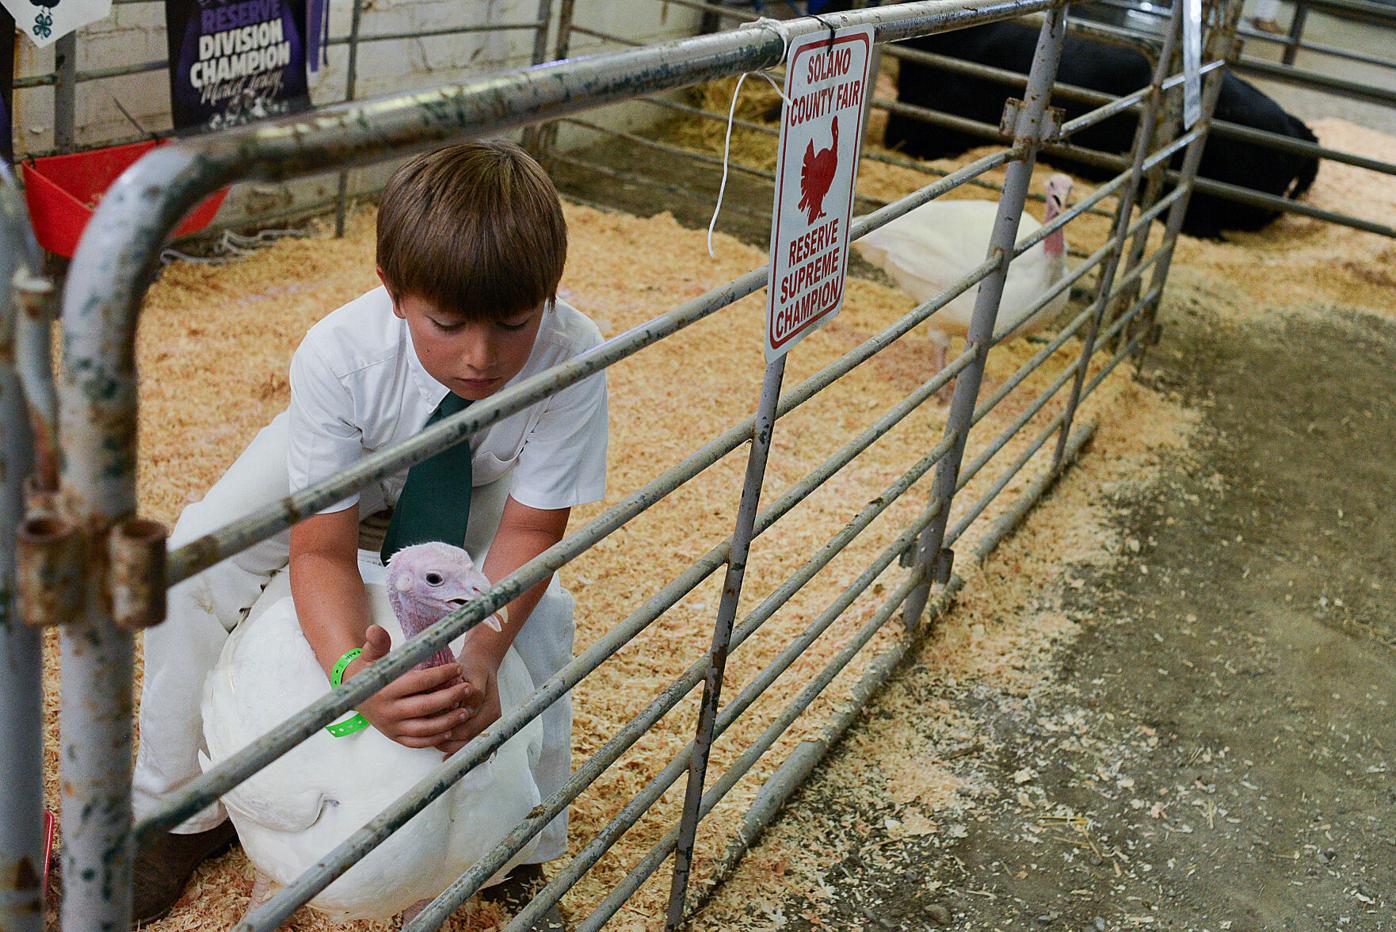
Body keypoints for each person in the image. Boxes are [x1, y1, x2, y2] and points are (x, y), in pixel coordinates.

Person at [127, 140, 607, 927]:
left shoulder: (573, 355)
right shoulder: (338, 353)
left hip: (476, 478)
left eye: (514, 323)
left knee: (545, 619)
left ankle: (521, 845)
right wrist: (353, 675)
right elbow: (321, 547)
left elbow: (532, 528)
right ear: (392, 292)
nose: (481, 356)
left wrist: (479, 660)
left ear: (548, 298)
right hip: (345, 455)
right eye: (447, 323)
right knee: (188, 568)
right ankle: (178, 813)